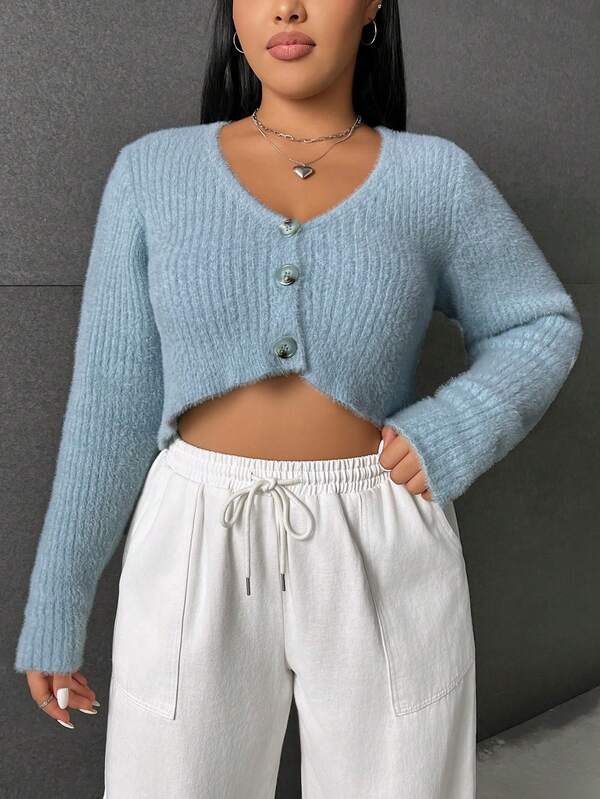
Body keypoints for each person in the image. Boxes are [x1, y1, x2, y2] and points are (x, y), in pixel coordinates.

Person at [15, 1, 583, 797]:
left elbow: (538, 322)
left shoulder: (435, 179)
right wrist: (57, 601)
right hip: (195, 533)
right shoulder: (151, 174)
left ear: (372, 6)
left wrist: (454, 427)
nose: (287, 6)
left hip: (382, 533)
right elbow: (109, 406)